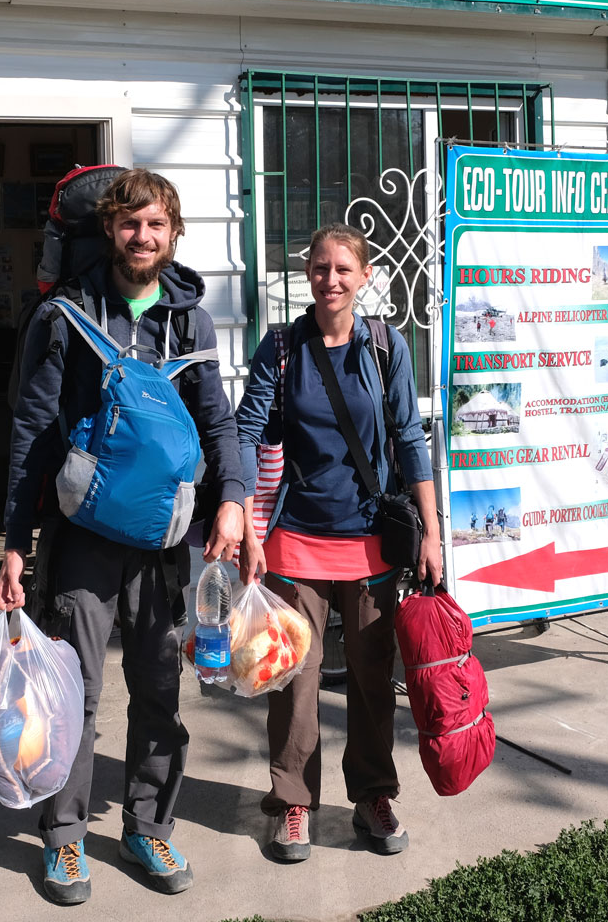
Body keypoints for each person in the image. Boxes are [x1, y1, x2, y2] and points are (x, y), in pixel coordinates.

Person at [0, 169, 247, 906]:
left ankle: (147, 824)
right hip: (82, 536)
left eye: (157, 226)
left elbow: (219, 422)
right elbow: (33, 432)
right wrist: (15, 541)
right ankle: (64, 837)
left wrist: (233, 501)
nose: (144, 237)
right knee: (72, 690)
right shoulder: (68, 314)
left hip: (162, 540)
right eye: (131, 224)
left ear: (174, 234)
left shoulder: (189, 320)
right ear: (110, 230)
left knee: (159, 688)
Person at [233, 224, 440, 864]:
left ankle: (374, 796)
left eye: (343, 268)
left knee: (374, 681)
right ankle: (294, 803)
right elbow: (247, 428)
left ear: (365, 276)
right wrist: (240, 516)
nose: (330, 279)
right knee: (292, 679)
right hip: (296, 539)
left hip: (371, 543)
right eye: (320, 268)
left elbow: (409, 437)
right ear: (308, 274)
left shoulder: (386, 346)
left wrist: (431, 531)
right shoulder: (281, 348)